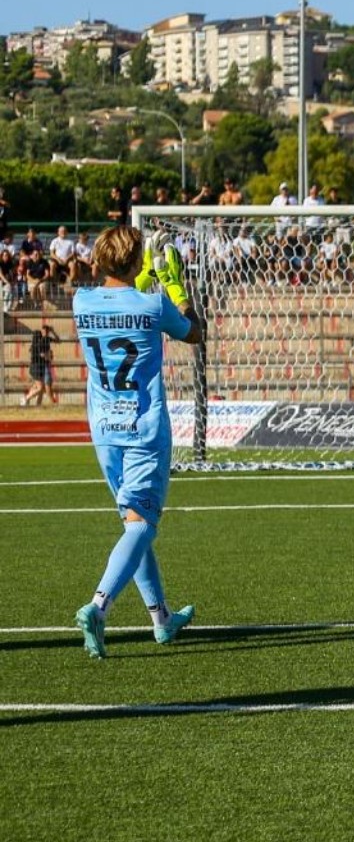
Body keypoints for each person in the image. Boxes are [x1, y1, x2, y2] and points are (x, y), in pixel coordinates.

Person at [72, 228, 205, 657]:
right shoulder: (153, 304)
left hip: (104, 429)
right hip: (143, 428)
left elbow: (121, 301)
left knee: (133, 525)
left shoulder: (81, 302)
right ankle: (99, 605)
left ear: (98, 262)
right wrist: (172, 281)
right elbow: (192, 331)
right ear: (134, 263)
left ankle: (160, 618)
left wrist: (142, 274)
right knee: (142, 524)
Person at [22, 320, 58, 406]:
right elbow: (42, 355)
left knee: (38, 387)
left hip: (37, 367)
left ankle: (37, 405)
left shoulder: (35, 345)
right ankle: (25, 399)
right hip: (36, 368)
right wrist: (49, 356)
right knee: (40, 387)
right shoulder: (38, 345)